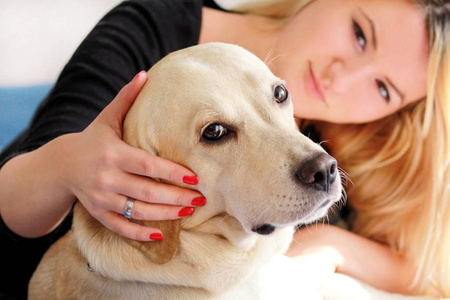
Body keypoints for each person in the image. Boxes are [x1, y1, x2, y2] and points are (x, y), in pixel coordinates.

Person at [0, 0, 448, 298]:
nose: (341, 78)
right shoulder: (150, 29)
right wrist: (67, 164)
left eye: (384, 88)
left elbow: (425, 264)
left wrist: (332, 245)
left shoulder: (373, 138)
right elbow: (17, 192)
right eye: (359, 34)